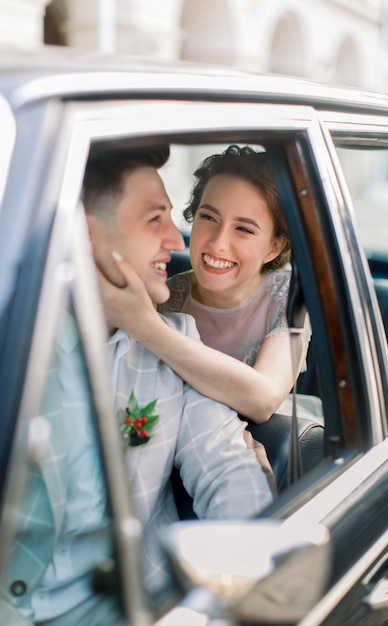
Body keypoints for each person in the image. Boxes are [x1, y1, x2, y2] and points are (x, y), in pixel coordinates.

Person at [0, 147, 274, 626]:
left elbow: (229, 471)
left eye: (173, 217)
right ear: (85, 234)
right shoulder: (15, 342)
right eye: (155, 219)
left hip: (138, 609)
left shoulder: (178, 346)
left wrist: (238, 580)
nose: (178, 238)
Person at [100, 145, 312, 424]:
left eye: (244, 229)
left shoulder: (289, 298)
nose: (217, 243)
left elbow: (264, 399)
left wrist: (145, 325)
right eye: (208, 217)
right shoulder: (166, 296)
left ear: (274, 247)